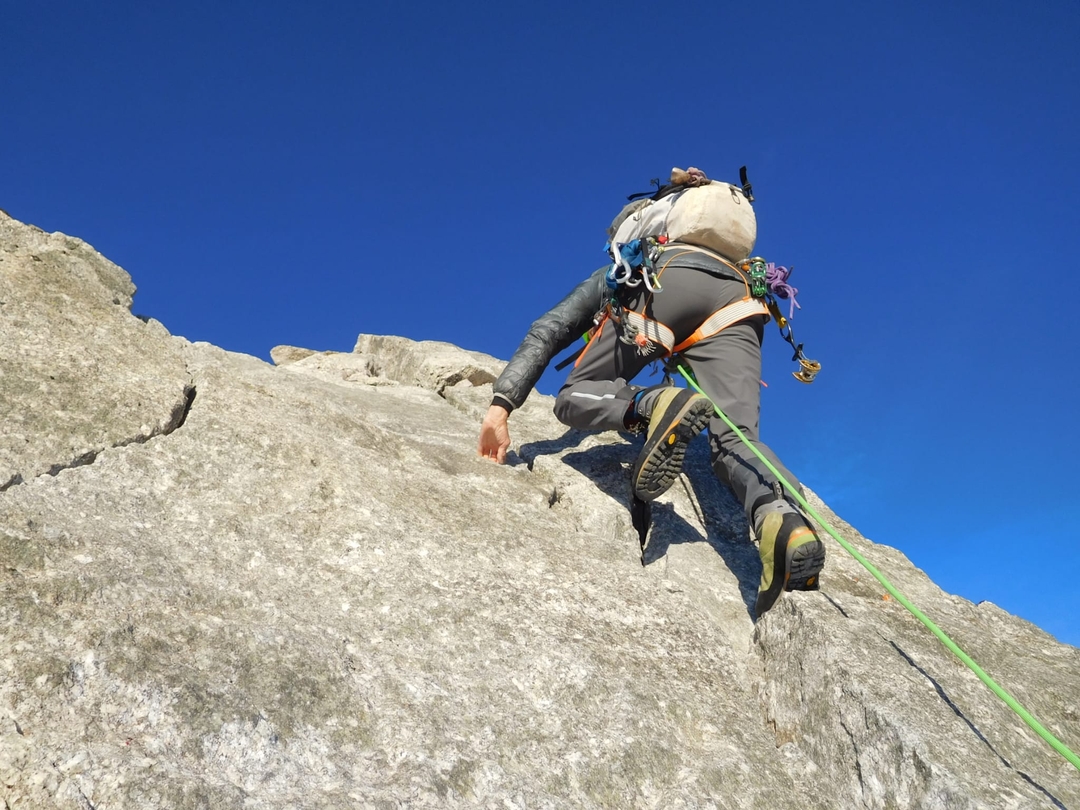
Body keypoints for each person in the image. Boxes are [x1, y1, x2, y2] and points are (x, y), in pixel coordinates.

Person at [477, 167, 824, 618]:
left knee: (574, 395)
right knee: (736, 436)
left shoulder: (625, 267)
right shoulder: (726, 255)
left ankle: (653, 404)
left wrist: (500, 406)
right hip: (743, 300)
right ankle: (783, 519)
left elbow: (549, 330)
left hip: (666, 283)